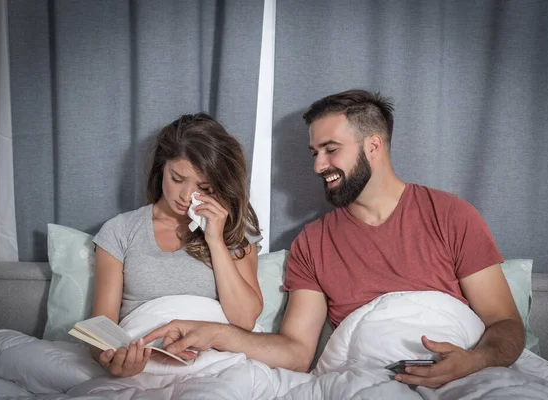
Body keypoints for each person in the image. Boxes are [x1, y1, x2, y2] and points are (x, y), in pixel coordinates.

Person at [143, 90, 525, 388]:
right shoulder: (313, 243)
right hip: (372, 378)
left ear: (373, 146)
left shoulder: (450, 214)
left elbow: (505, 322)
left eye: (330, 150)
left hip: (467, 370)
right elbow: (295, 352)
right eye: (314, 152)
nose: (317, 166)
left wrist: (475, 361)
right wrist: (218, 334)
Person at [90, 113, 263, 377]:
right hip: (144, 362)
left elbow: (245, 319)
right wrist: (112, 358)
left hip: (214, 365)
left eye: (204, 187)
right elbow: (100, 328)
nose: (185, 196)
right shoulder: (120, 230)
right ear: (162, 168)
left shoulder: (234, 232)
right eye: (177, 178)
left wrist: (215, 240)